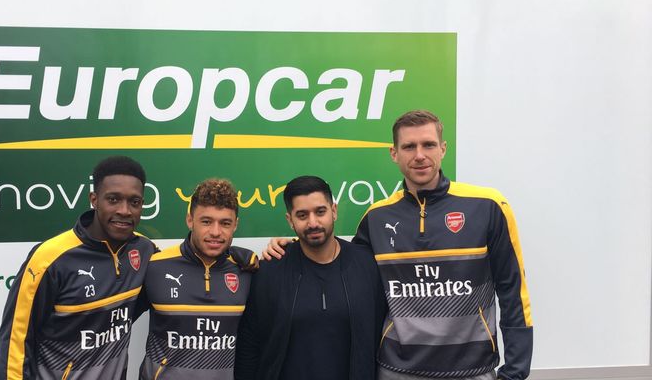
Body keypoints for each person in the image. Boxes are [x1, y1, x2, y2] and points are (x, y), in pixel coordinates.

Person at [264, 110, 533, 380]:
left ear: (443, 148)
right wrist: (292, 249)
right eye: (408, 147)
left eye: (428, 144)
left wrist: (515, 371)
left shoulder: (487, 206)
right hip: (396, 371)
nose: (419, 155)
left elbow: (513, 291)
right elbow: (340, 266)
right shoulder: (376, 217)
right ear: (394, 153)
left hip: (472, 371)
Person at [0, 156, 158, 380]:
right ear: (94, 199)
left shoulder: (144, 250)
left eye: (134, 202)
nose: (125, 210)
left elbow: (184, 273)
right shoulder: (50, 258)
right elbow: (16, 342)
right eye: (113, 199)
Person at [236, 176, 385, 380]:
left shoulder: (366, 265)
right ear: (290, 220)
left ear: (334, 211)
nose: (313, 222)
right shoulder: (271, 270)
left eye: (320, 212)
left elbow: (381, 335)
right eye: (302, 215)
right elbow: (249, 343)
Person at [139, 178, 258, 380]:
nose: (215, 232)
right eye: (206, 221)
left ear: (235, 225)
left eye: (225, 223)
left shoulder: (247, 270)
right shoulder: (155, 266)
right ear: (189, 220)